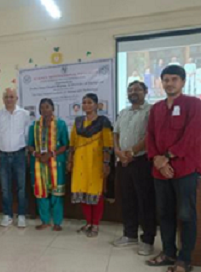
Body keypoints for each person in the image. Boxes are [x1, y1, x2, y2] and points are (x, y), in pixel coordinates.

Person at [146, 65, 201, 272]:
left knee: (186, 215)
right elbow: (149, 137)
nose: (169, 83)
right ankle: (168, 253)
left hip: (185, 169)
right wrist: (157, 160)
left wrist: (166, 158)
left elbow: (193, 136)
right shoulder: (156, 108)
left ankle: (184, 259)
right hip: (159, 171)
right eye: (166, 79)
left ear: (183, 82)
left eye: (174, 79)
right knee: (165, 213)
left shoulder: (194, 104)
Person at [112, 81, 156, 256]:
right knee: (127, 199)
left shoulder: (151, 111)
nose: (133, 92)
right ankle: (130, 235)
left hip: (141, 161)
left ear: (145, 91)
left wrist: (131, 152)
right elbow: (116, 133)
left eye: (137, 89)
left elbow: (150, 136)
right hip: (123, 161)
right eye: (130, 90)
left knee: (145, 201)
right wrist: (117, 151)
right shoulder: (123, 112)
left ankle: (147, 240)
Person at [67, 93, 113, 238]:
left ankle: (96, 224)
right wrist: (70, 161)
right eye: (84, 102)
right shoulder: (78, 121)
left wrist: (106, 163)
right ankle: (88, 222)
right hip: (80, 162)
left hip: (95, 162)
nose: (86, 105)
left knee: (95, 193)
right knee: (82, 192)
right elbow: (72, 143)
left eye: (89, 102)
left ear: (96, 105)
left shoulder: (103, 121)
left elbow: (108, 145)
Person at [0, 88, 31, 228]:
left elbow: (27, 135)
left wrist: (28, 153)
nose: (9, 99)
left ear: (16, 98)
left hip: (19, 155)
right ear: (3, 99)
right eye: (7, 97)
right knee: (5, 188)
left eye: (11, 97)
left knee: (21, 187)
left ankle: (21, 215)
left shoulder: (25, 114)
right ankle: (7, 215)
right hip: (2, 155)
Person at [28, 98, 68, 231]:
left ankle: (57, 222)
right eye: (42, 107)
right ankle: (45, 221)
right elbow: (30, 145)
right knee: (41, 193)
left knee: (57, 193)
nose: (44, 110)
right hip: (39, 164)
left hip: (56, 164)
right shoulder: (34, 126)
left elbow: (65, 145)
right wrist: (36, 154)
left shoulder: (60, 124)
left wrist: (51, 155)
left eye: (47, 107)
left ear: (53, 109)